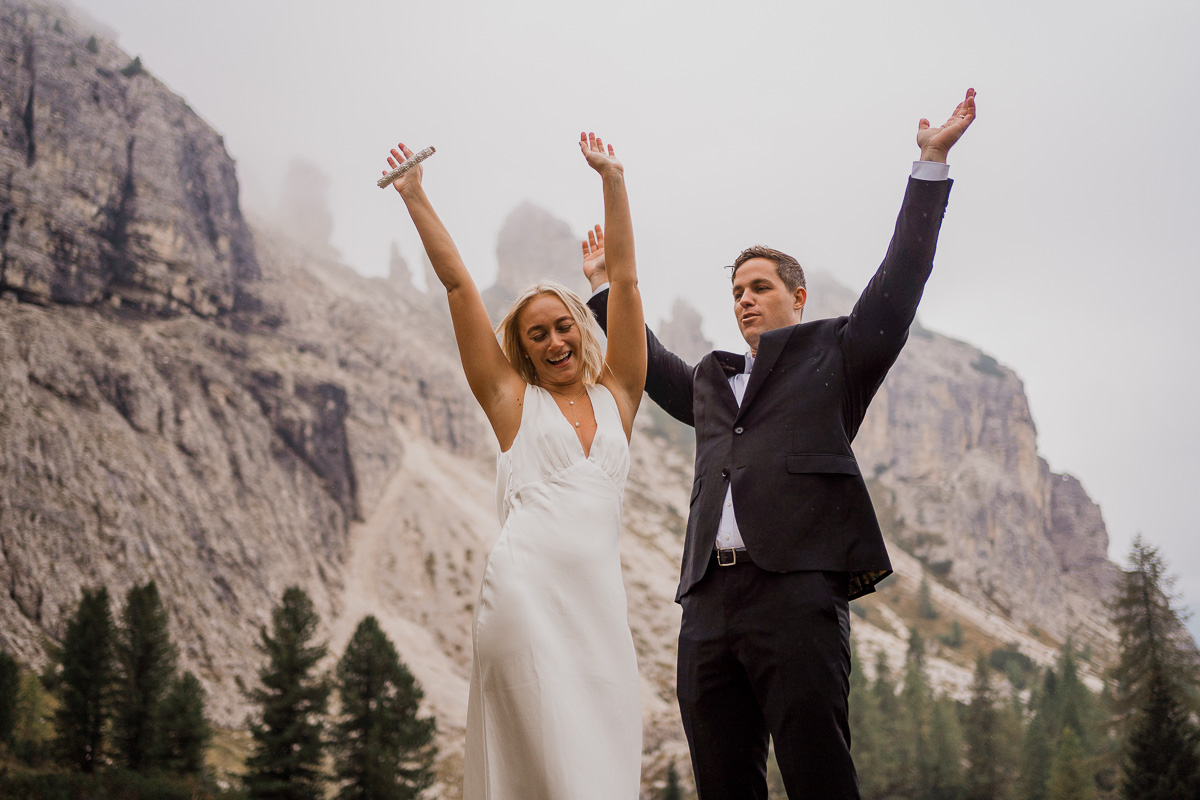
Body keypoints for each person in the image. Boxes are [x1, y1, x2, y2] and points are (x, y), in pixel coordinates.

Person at [583, 89, 977, 799]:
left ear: (797, 298)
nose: (744, 299)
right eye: (736, 291)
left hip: (796, 594)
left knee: (818, 772)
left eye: (760, 287)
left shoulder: (837, 356)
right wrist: (607, 292)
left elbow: (899, 286)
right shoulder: (706, 381)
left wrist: (930, 165)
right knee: (722, 780)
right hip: (705, 604)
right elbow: (640, 364)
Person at [383, 133, 646, 799]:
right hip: (525, 599)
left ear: (580, 328)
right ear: (522, 349)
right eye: (538, 333)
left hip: (601, 615)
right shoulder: (510, 401)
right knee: (547, 770)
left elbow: (629, 280)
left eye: (563, 326)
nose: (555, 339)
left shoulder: (620, 393)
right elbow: (457, 284)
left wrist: (613, 180)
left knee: (603, 767)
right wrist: (414, 194)